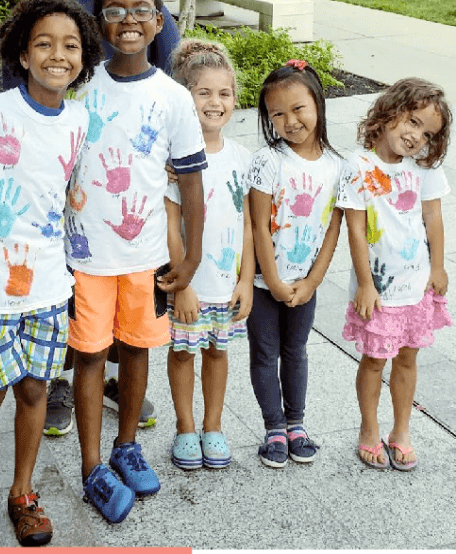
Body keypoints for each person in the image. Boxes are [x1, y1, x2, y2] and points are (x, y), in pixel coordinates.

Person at [0, 0, 99, 546]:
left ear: (84, 57)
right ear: (22, 53)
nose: (58, 55)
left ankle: (23, 491)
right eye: (44, 44)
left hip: (49, 285)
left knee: (35, 390)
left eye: (71, 46)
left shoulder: (80, 119)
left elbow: (73, 192)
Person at [66, 0, 205, 522]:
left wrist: (191, 255)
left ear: (159, 20)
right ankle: (91, 465)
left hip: (146, 255)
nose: (129, 19)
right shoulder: (79, 88)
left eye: (142, 9)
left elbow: (191, 183)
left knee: (137, 347)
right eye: (116, 10)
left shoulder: (173, 98)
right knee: (89, 354)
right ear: (99, 21)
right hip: (85, 255)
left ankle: (126, 445)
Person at [42, 0, 180, 436]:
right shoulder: (50, 8)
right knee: (74, 289)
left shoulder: (145, 7)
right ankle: (62, 379)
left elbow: (166, 84)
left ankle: (119, 380)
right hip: (67, 176)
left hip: (128, 183)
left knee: (126, 285)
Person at [337, 79, 452, 470]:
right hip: (378, 291)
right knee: (374, 360)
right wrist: (365, 285)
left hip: (416, 286)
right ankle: (369, 428)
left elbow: (433, 217)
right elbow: (355, 230)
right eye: (413, 122)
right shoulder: (358, 166)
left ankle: (401, 430)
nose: (417, 136)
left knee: (407, 359)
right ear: (389, 112)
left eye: (428, 133)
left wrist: (438, 266)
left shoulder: (424, 168)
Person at [247, 61, 343, 468]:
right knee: (265, 353)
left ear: (318, 103)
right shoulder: (269, 161)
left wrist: (312, 282)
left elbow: (333, 228)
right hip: (263, 283)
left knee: (296, 351)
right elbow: (257, 224)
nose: (290, 121)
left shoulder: (338, 166)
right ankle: (273, 427)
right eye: (277, 114)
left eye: (299, 108)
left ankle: (296, 425)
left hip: (305, 283)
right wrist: (270, 278)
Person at [165, 42, 254, 471]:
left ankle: (212, 426)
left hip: (226, 284)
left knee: (218, 353)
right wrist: (181, 285)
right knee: (183, 353)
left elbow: (249, 225)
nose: (215, 102)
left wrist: (246, 280)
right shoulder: (175, 160)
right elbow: (170, 225)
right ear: (186, 98)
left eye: (224, 93)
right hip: (190, 287)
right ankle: (185, 427)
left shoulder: (242, 158)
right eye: (203, 93)